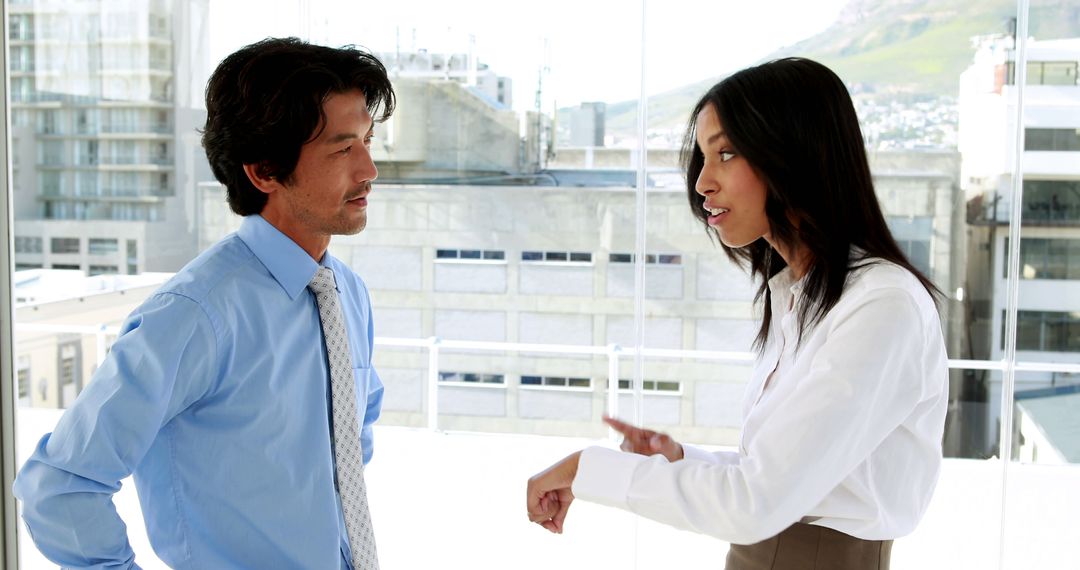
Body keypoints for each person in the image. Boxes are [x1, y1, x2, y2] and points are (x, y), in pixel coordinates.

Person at [526, 58, 948, 570]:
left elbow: (757, 502)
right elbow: (782, 480)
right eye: (703, 157)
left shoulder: (882, 304)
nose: (703, 182)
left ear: (795, 153)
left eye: (726, 152)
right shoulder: (801, 297)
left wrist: (587, 470)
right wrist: (682, 462)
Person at [13, 37, 395, 569]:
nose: (369, 170)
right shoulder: (196, 312)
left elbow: (352, 446)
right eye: (341, 149)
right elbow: (60, 486)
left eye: (368, 141)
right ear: (263, 171)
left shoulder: (346, 292)